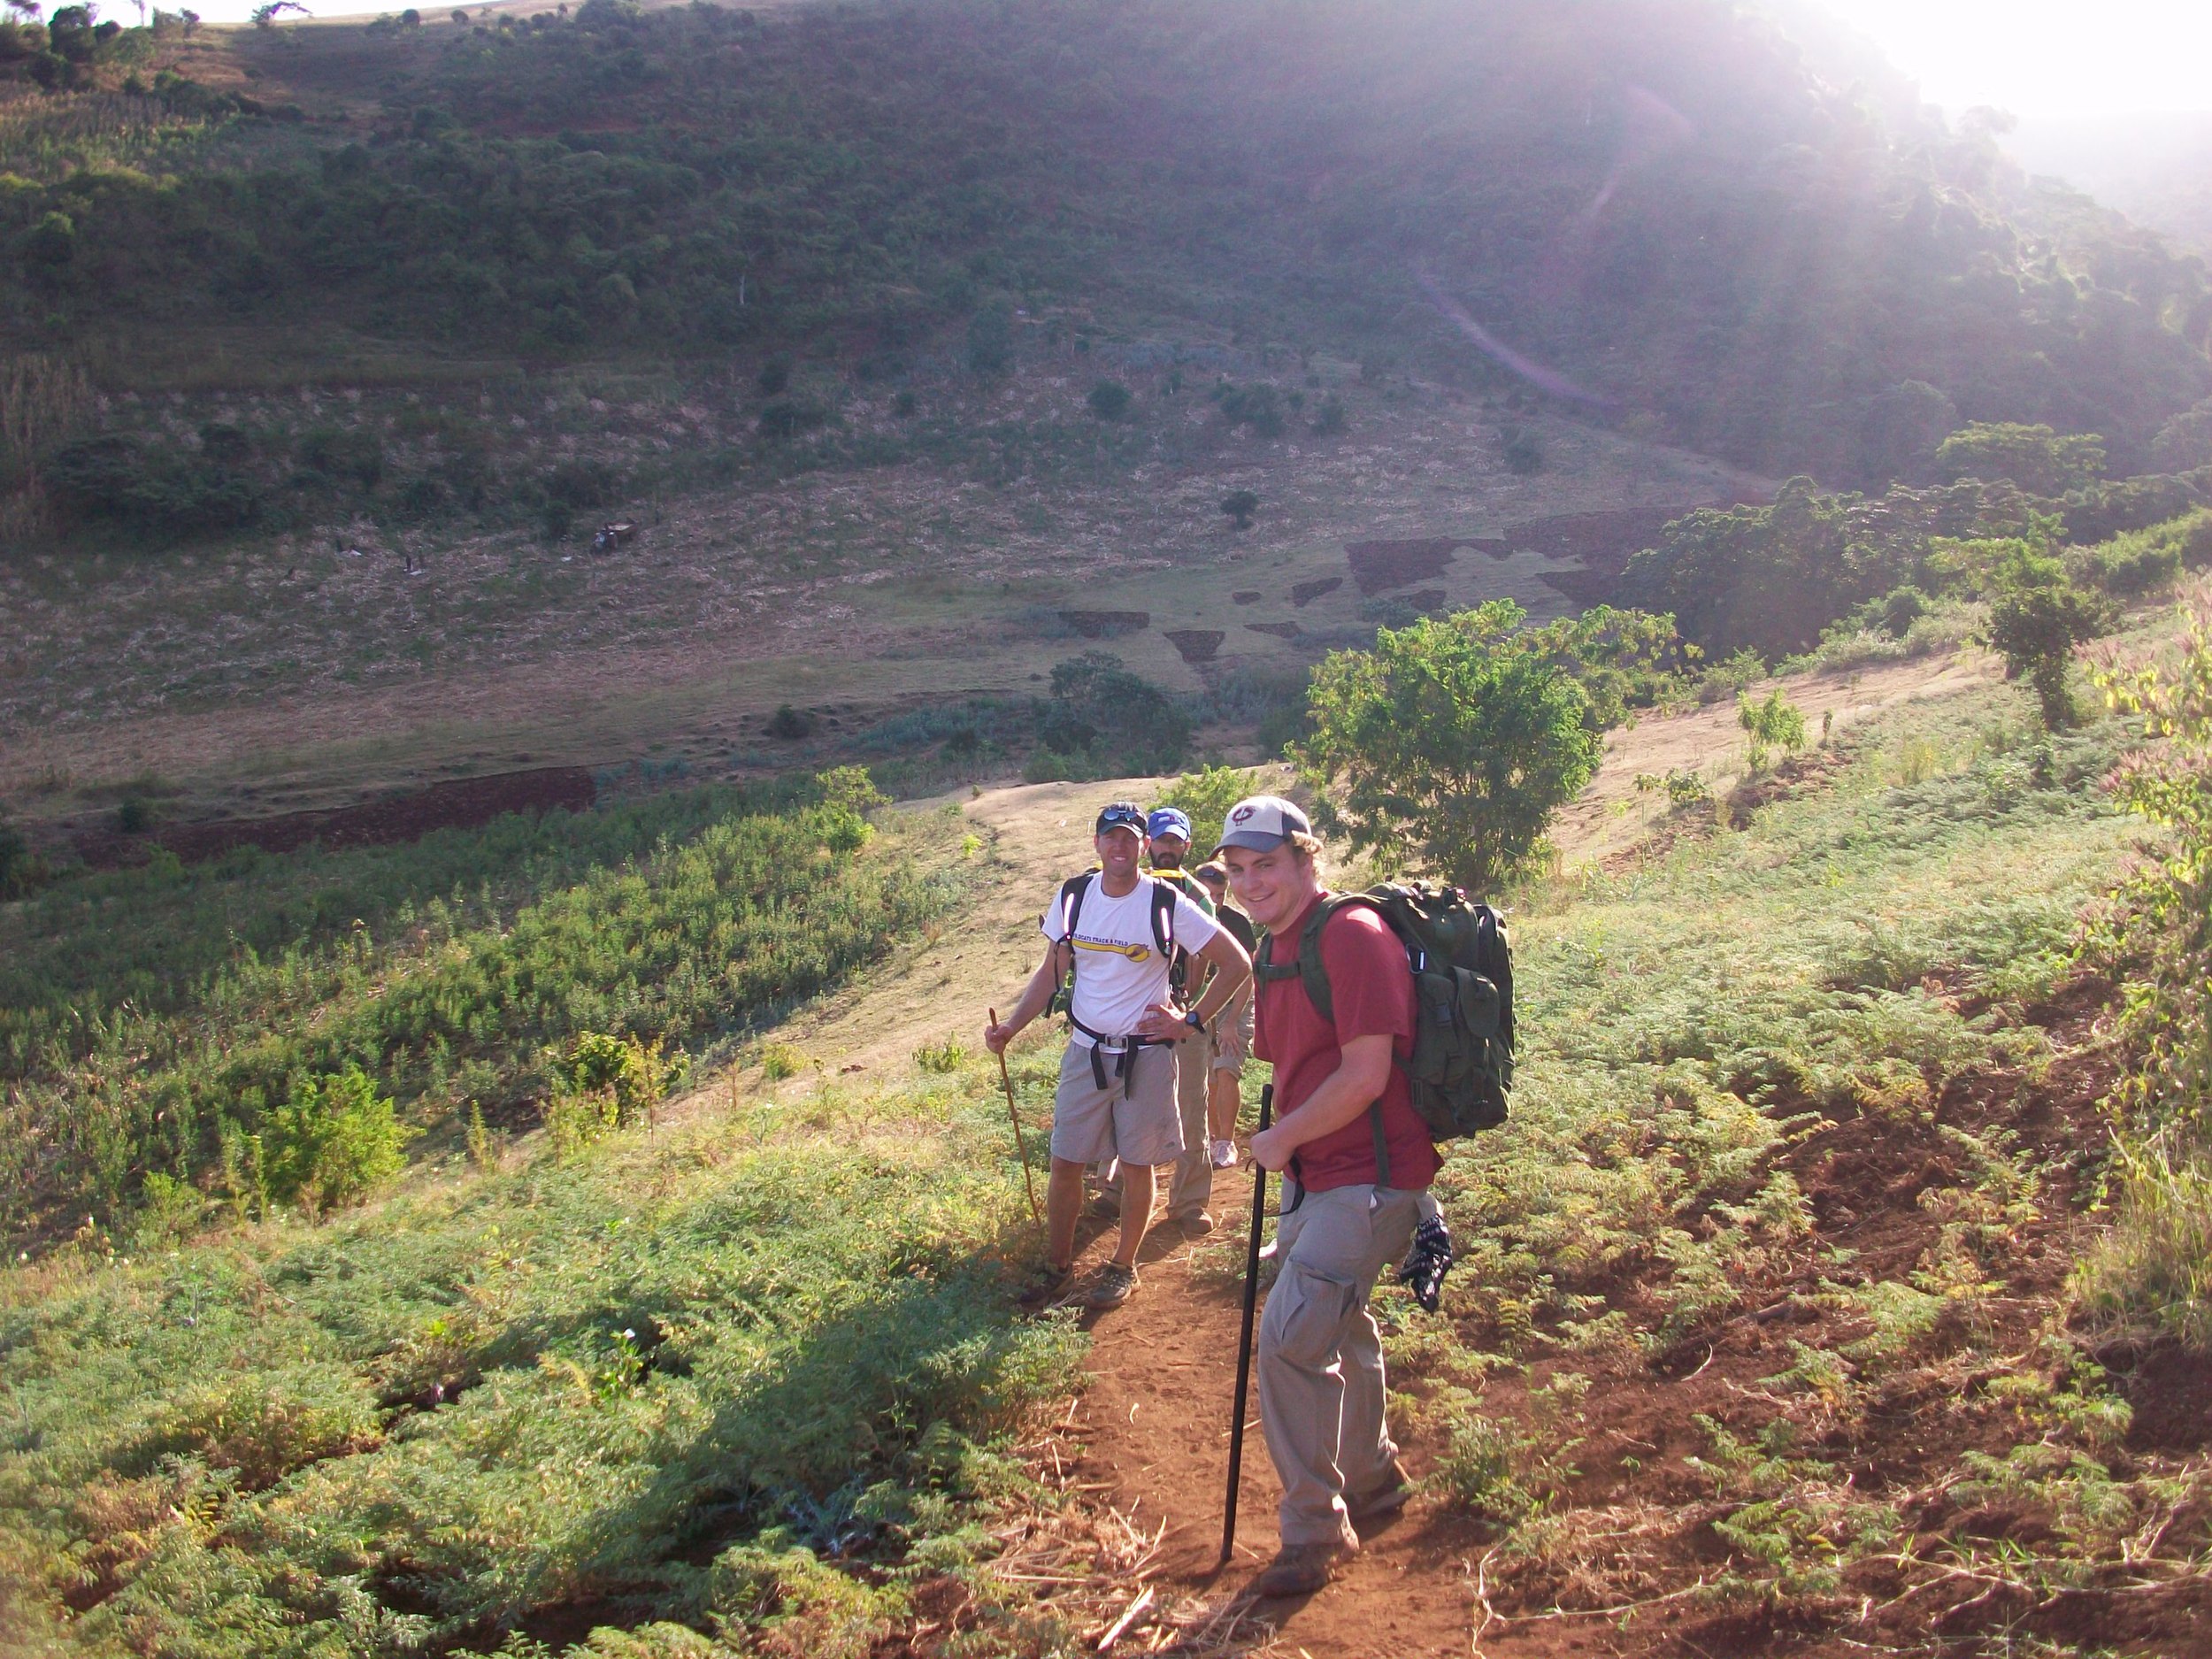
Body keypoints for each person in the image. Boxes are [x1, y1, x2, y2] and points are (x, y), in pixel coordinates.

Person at [1216, 793, 1440, 1598]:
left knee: (1288, 1342)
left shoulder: (1350, 936)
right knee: (1342, 1323)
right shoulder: (1281, 943)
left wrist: (1280, 1140)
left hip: (1371, 1178)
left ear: (1308, 859)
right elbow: (1291, 1064)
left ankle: (1314, 1528)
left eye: (1266, 865)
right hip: (1322, 1174)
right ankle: (1375, 1480)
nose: (1250, 883)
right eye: (1239, 870)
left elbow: (1365, 1074)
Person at [986, 802, 1252, 1310]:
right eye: (1111, 836)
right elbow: (1051, 973)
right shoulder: (1073, 896)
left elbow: (1235, 962)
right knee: (1065, 1162)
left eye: (1130, 837)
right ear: (1097, 844)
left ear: (1144, 845)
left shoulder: (1166, 902)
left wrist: (1190, 1020)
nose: (1120, 846)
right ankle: (1058, 1267)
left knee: (1136, 1165)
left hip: (1146, 1055)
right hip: (1084, 1050)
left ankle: (1121, 1266)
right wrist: (1012, 1028)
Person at [1192, 858, 1256, 1169]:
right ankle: (1213, 1138)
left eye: (1219, 895)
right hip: (1200, 1004)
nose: (1214, 902)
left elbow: (1247, 974)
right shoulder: (1183, 918)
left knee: (1226, 1068)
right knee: (1207, 1077)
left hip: (1233, 1002)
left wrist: (1231, 1022)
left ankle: (1226, 1142)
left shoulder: (1237, 922)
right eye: (1208, 895)